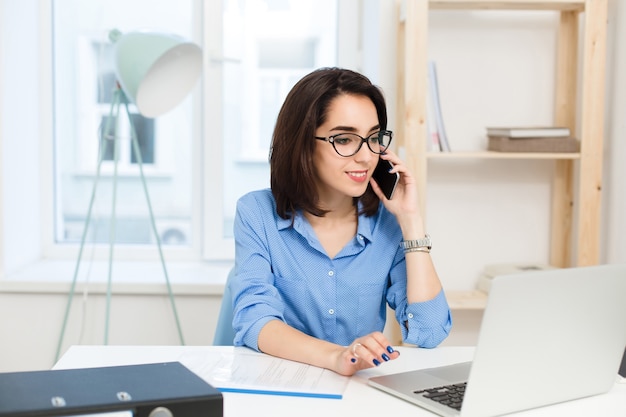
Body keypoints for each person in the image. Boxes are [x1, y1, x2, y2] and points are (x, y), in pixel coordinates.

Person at [230, 67, 451, 377]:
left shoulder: (387, 223)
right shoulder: (256, 213)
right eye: (345, 139)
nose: (365, 157)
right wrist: (338, 357)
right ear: (303, 143)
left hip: (360, 394)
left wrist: (411, 221)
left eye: (373, 138)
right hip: (282, 389)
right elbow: (255, 322)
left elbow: (429, 330)